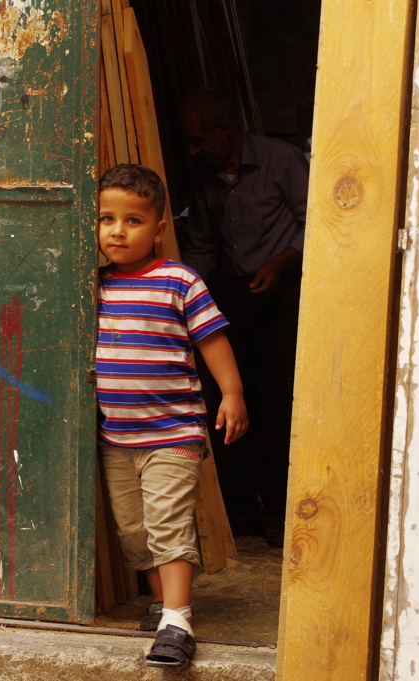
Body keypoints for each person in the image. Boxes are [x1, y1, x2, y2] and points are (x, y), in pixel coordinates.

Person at [96, 164, 248, 668]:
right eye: (107, 219)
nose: (118, 231)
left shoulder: (179, 280)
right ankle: (163, 603)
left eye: (133, 221)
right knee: (134, 532)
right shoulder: (91, 287)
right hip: (116, 436)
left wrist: (231, 393)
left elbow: (212, 339)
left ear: (158, 229)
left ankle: (178, 622)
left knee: (167, 524)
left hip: (173, 432)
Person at [179, 87, 309, 548]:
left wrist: (278, 264)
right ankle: (237, 510)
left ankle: (276, 509)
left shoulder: (282, 160)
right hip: (230, 294)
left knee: (276, 404)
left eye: (198, 139)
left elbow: (314, 222)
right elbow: (201, 243)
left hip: (278, 292)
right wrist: (187, 293)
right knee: (228, 402)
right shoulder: (205, 170)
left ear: (225, 129)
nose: (193, 150)